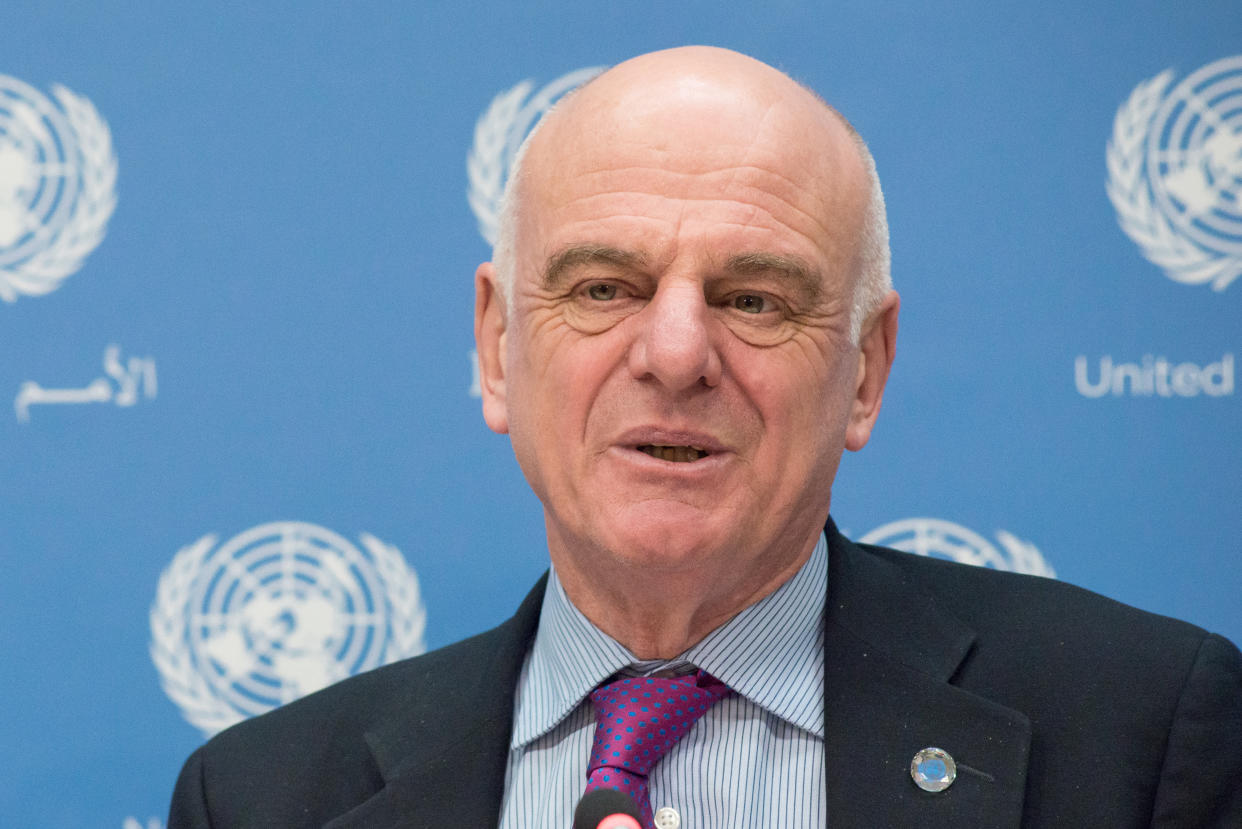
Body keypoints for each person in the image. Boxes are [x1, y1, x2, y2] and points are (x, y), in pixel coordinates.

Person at [168, 46, 1242, 828]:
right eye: (603, 286)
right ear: (498, 347)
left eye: (756, 299)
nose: (676, 354)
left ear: (864, 368)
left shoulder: (1141, 738)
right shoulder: (264, 798)